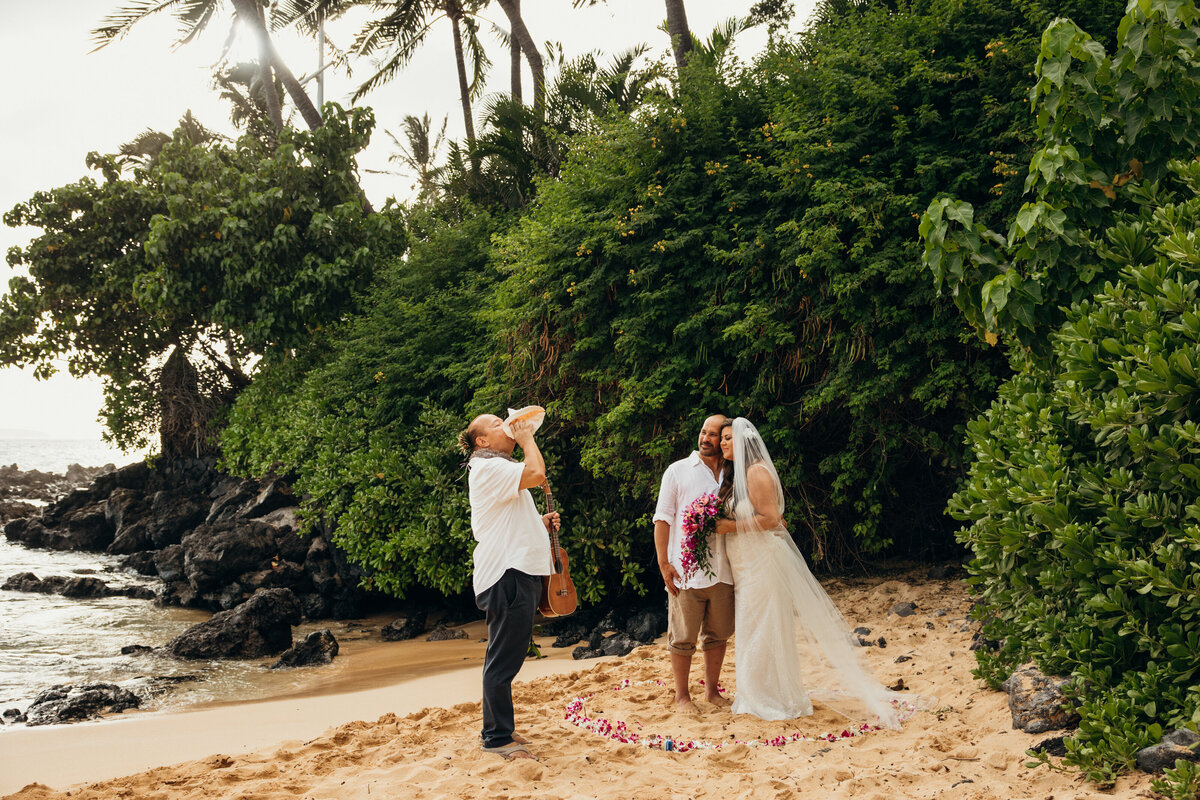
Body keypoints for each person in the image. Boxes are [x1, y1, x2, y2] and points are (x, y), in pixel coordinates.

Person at [713, 417, 905, 727]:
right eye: (721, 439)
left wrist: (728, 526)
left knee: (763, 626)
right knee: (751, 625)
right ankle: (755, 693)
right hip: (746, 564)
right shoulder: (736, 476)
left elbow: (772, 518)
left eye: (728, 438)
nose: (723, 443)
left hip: (762, 562)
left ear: (743, 441)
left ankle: (770, 696)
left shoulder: (756, 472)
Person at [460, 413, 560, 760]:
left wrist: (541, 523)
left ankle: (498, 729)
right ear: (482, 441)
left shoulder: (496, 468)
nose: (505, 423)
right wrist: (527, 437)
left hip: (512, 571)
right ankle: (497, 738)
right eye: (496, 423)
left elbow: (510, 519)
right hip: (507, 574)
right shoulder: (488, 468)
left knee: (504, 656)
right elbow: (537, 474)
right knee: (504, 660)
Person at [652, 414, 735, 712]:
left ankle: (712, 692)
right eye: (704, 432)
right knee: (682, 637)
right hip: (686, 572)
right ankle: (682, 696)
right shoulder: (677, 471)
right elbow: (662, 519)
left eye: (714, 434)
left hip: (725, 569)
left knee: (719, 634)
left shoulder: (733, 473)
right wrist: (664, 563)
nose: (706, 438)